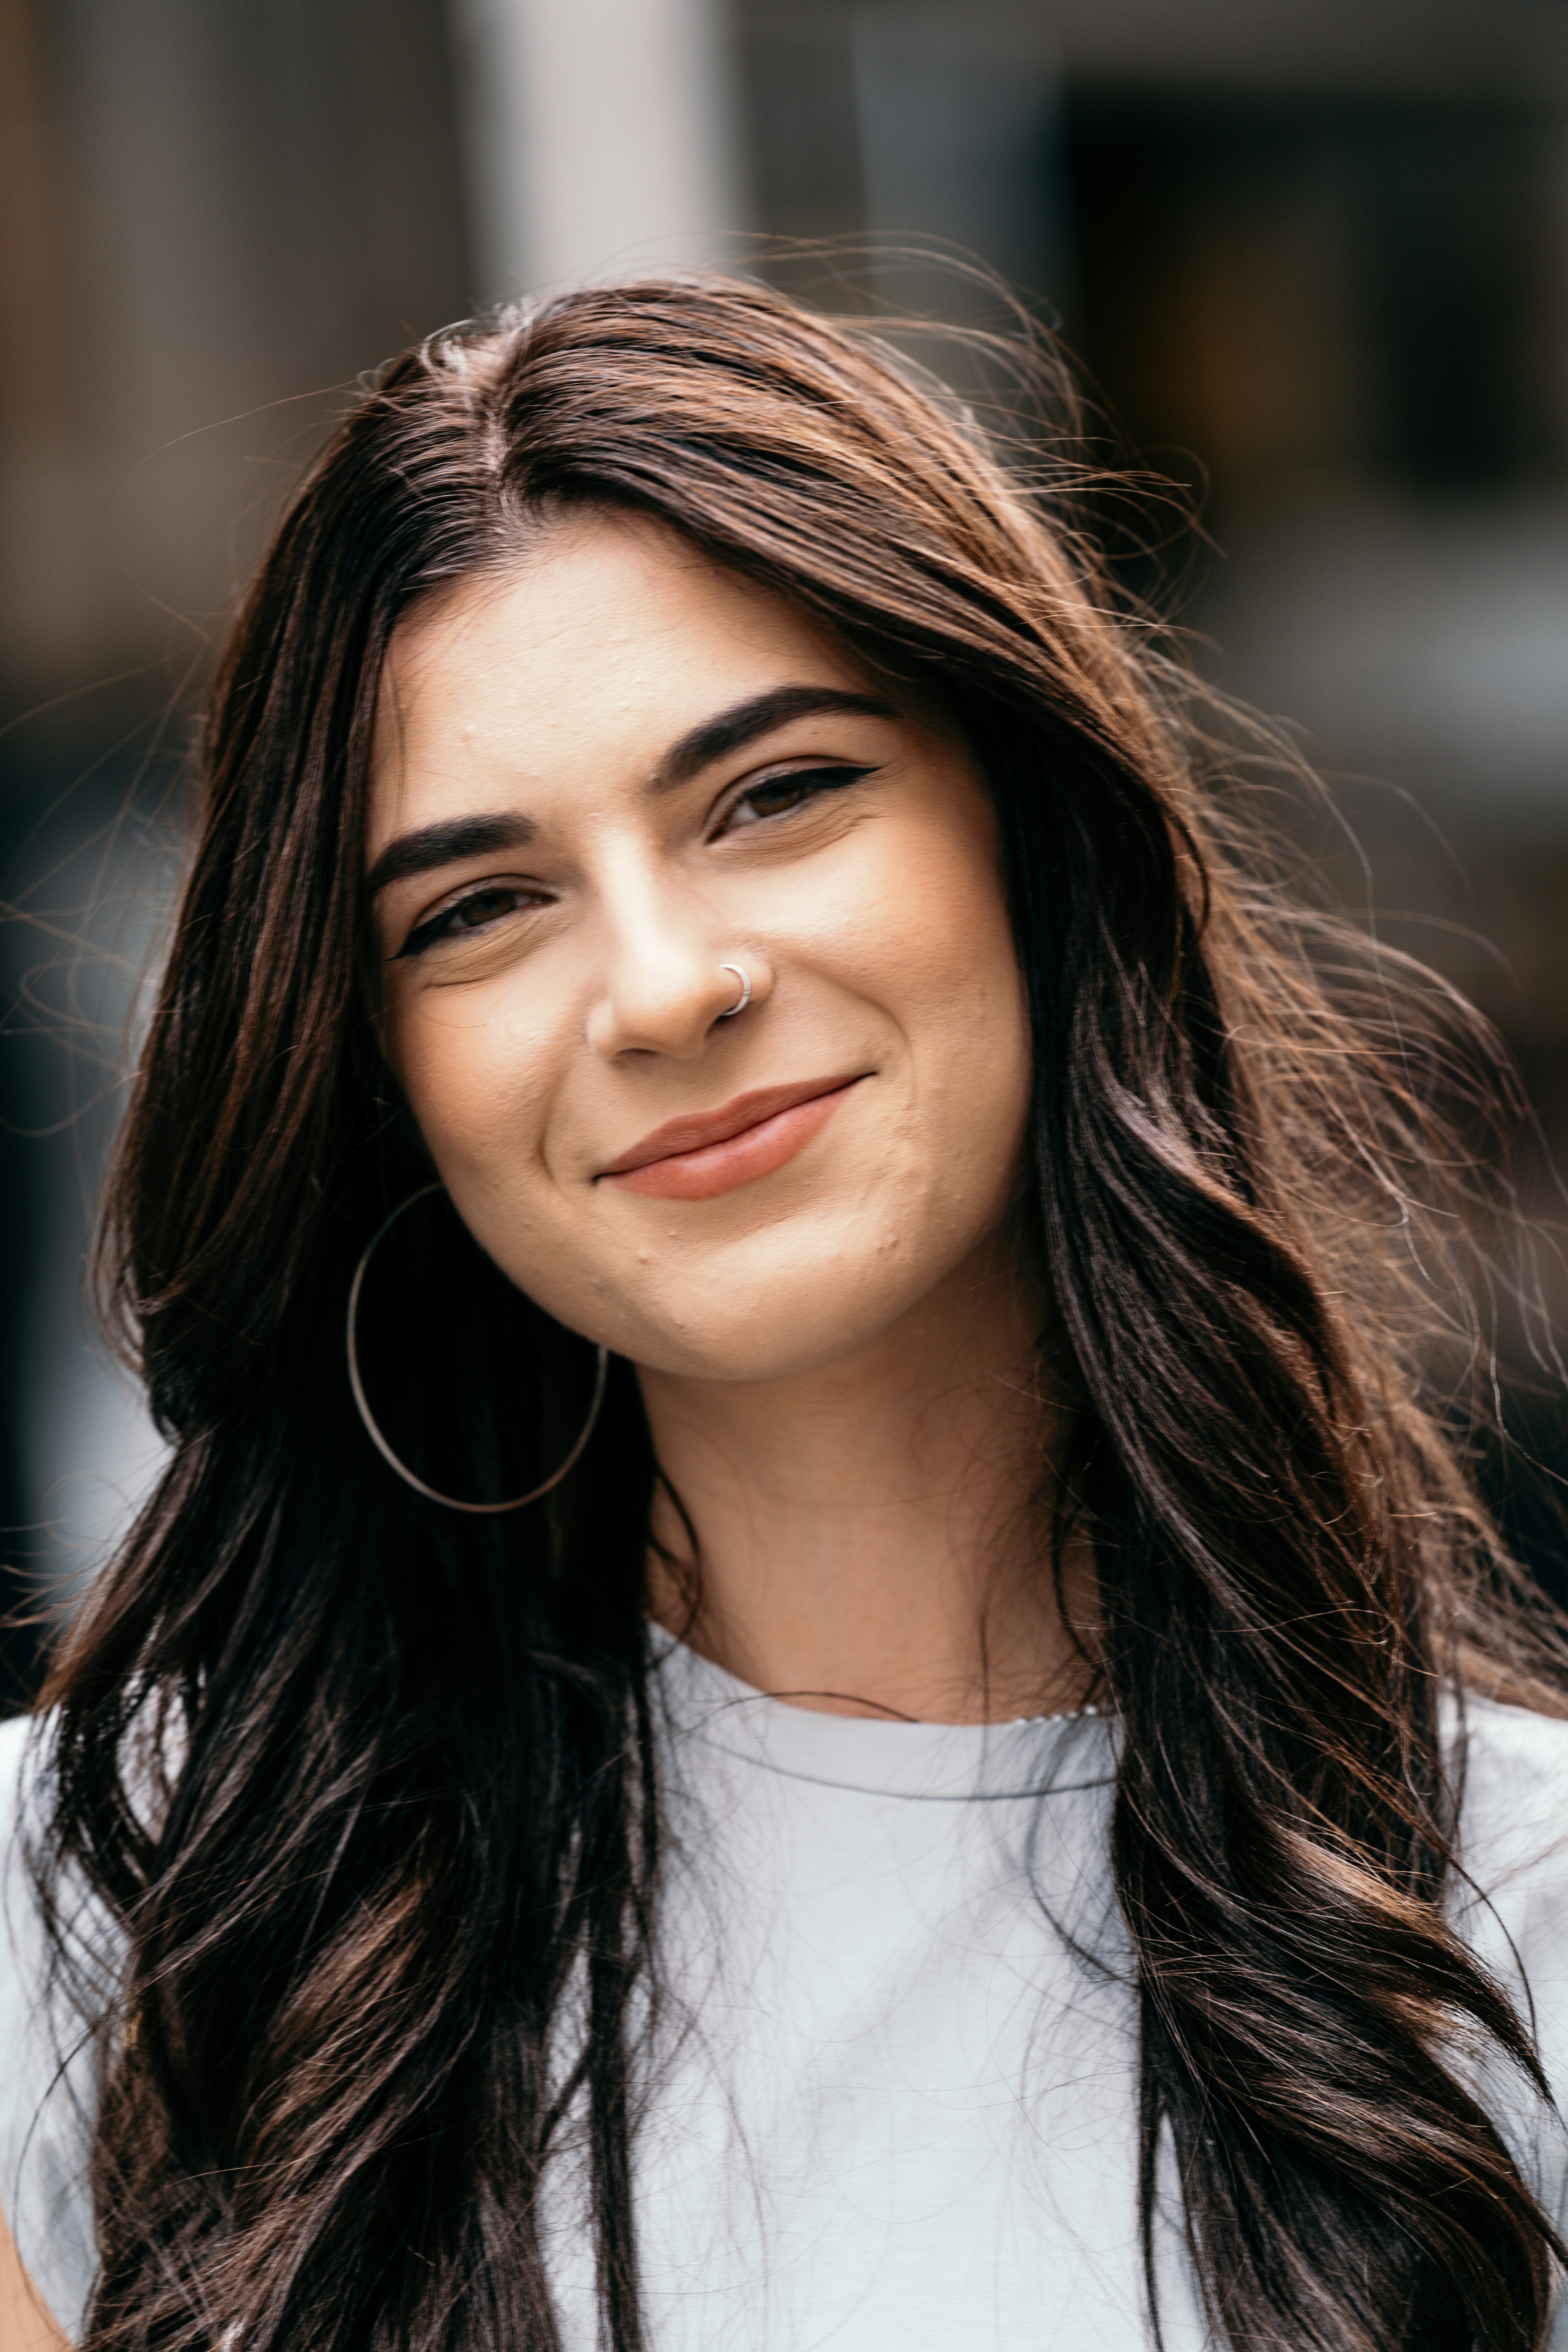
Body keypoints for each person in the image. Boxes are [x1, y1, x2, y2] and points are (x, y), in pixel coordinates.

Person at [1, 272, 1566, 2352]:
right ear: (379, 1081)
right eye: (478, 908)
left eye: (774, 793)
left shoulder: (1517, 1925)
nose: (662, 986)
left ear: (1027, 829)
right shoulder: (107, 1933)